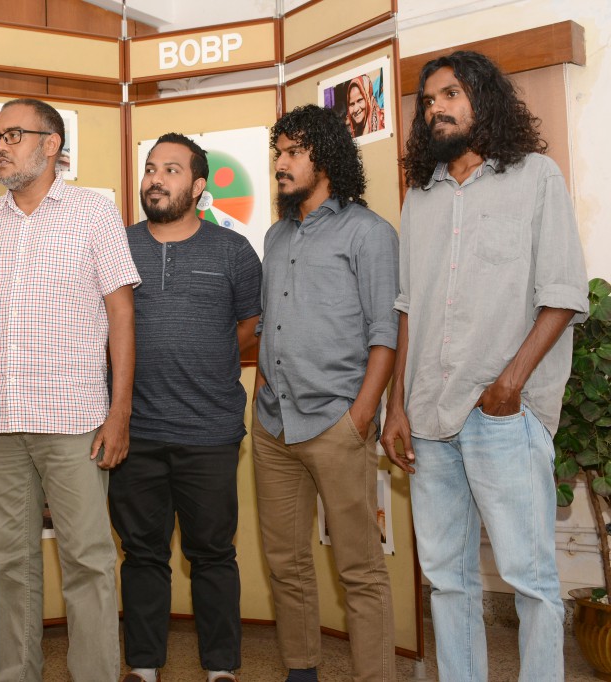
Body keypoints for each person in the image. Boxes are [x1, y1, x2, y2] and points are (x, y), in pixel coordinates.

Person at [381, 51, 588, 682]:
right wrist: (396, 405)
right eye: (428, 100)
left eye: (451, 94)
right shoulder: (420, 196)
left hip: (503, 414)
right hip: (428, 416)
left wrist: (508, 386)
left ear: (484, 99)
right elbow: (408, 308)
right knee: (447, 580)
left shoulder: (536, 177)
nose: (436, 108)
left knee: (530, 581)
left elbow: (563, 293)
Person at [0, 98, 139, 682]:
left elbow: (122, 315)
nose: (0, 147)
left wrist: (120, 412)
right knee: (7, 566)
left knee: (89, 562)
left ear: (51, 145)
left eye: (14, 135)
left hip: (74, 421)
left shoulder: (94, 212)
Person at [252, 105, 398, 682]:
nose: (281, 164)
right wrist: (261, 387)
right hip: (273, 425)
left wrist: (361, 416)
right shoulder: (275, 234)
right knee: (285, 563)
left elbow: (385, 333)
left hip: (337, 423)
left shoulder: (369, 233)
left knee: (360, 569)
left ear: (327, 159)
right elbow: (271, 321)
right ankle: (301, 669)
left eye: (294, 153)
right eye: (278, 154)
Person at [110, 133, 262, 682]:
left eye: (171, 170)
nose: (155, 178)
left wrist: (205, 355)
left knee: (213, 553)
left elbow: (249, 326)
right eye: (151, 168)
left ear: (198, 187)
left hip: (210, 431)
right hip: (135, 430)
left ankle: (221, 668)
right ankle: (143, 665)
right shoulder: (118, 245)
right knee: (142, 553)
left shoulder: (233, 251)